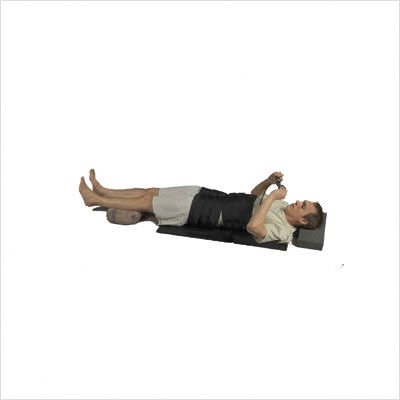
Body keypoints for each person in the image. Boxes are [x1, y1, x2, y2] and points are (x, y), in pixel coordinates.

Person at [79, 169, 324, 244]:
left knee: (148, 203)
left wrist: (271, 198)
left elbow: (254, 228)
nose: (297, 202)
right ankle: (105, 191)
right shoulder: (282, 205)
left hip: (203, 212)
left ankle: (94, 200)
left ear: (303, 220)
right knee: (151, 192)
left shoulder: (283, 231)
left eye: (302, 206)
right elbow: (254, 196)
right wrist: (268, 182)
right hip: (211, 196)